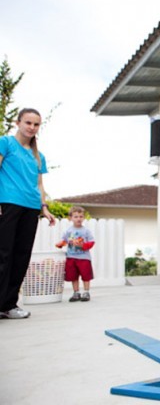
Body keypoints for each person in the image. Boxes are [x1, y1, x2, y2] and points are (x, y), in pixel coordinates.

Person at [0, 108, 56, 319]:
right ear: (18, 123)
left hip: (31, 207)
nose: (32, 127)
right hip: (8, 203)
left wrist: (44, 207)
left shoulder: (38, 156)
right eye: (28, 123)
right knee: (3, 254)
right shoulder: (5, 143)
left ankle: (8, 305)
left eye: (36, 124)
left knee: (21, 257)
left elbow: (39, 184)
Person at [56, 206, 96, 302]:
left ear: (84, 218)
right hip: (71, 257)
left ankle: (86, 292)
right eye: (76, 216)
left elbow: (92, 242)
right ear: (71, 218)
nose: (78, 219)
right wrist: (60, 244)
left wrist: (83, 245)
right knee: (73, 276)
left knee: (86, 276)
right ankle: (76, 293)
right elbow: (64, 241)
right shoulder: (68, 231)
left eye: (81, 216)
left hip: (84, 258)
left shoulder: (86, 231)